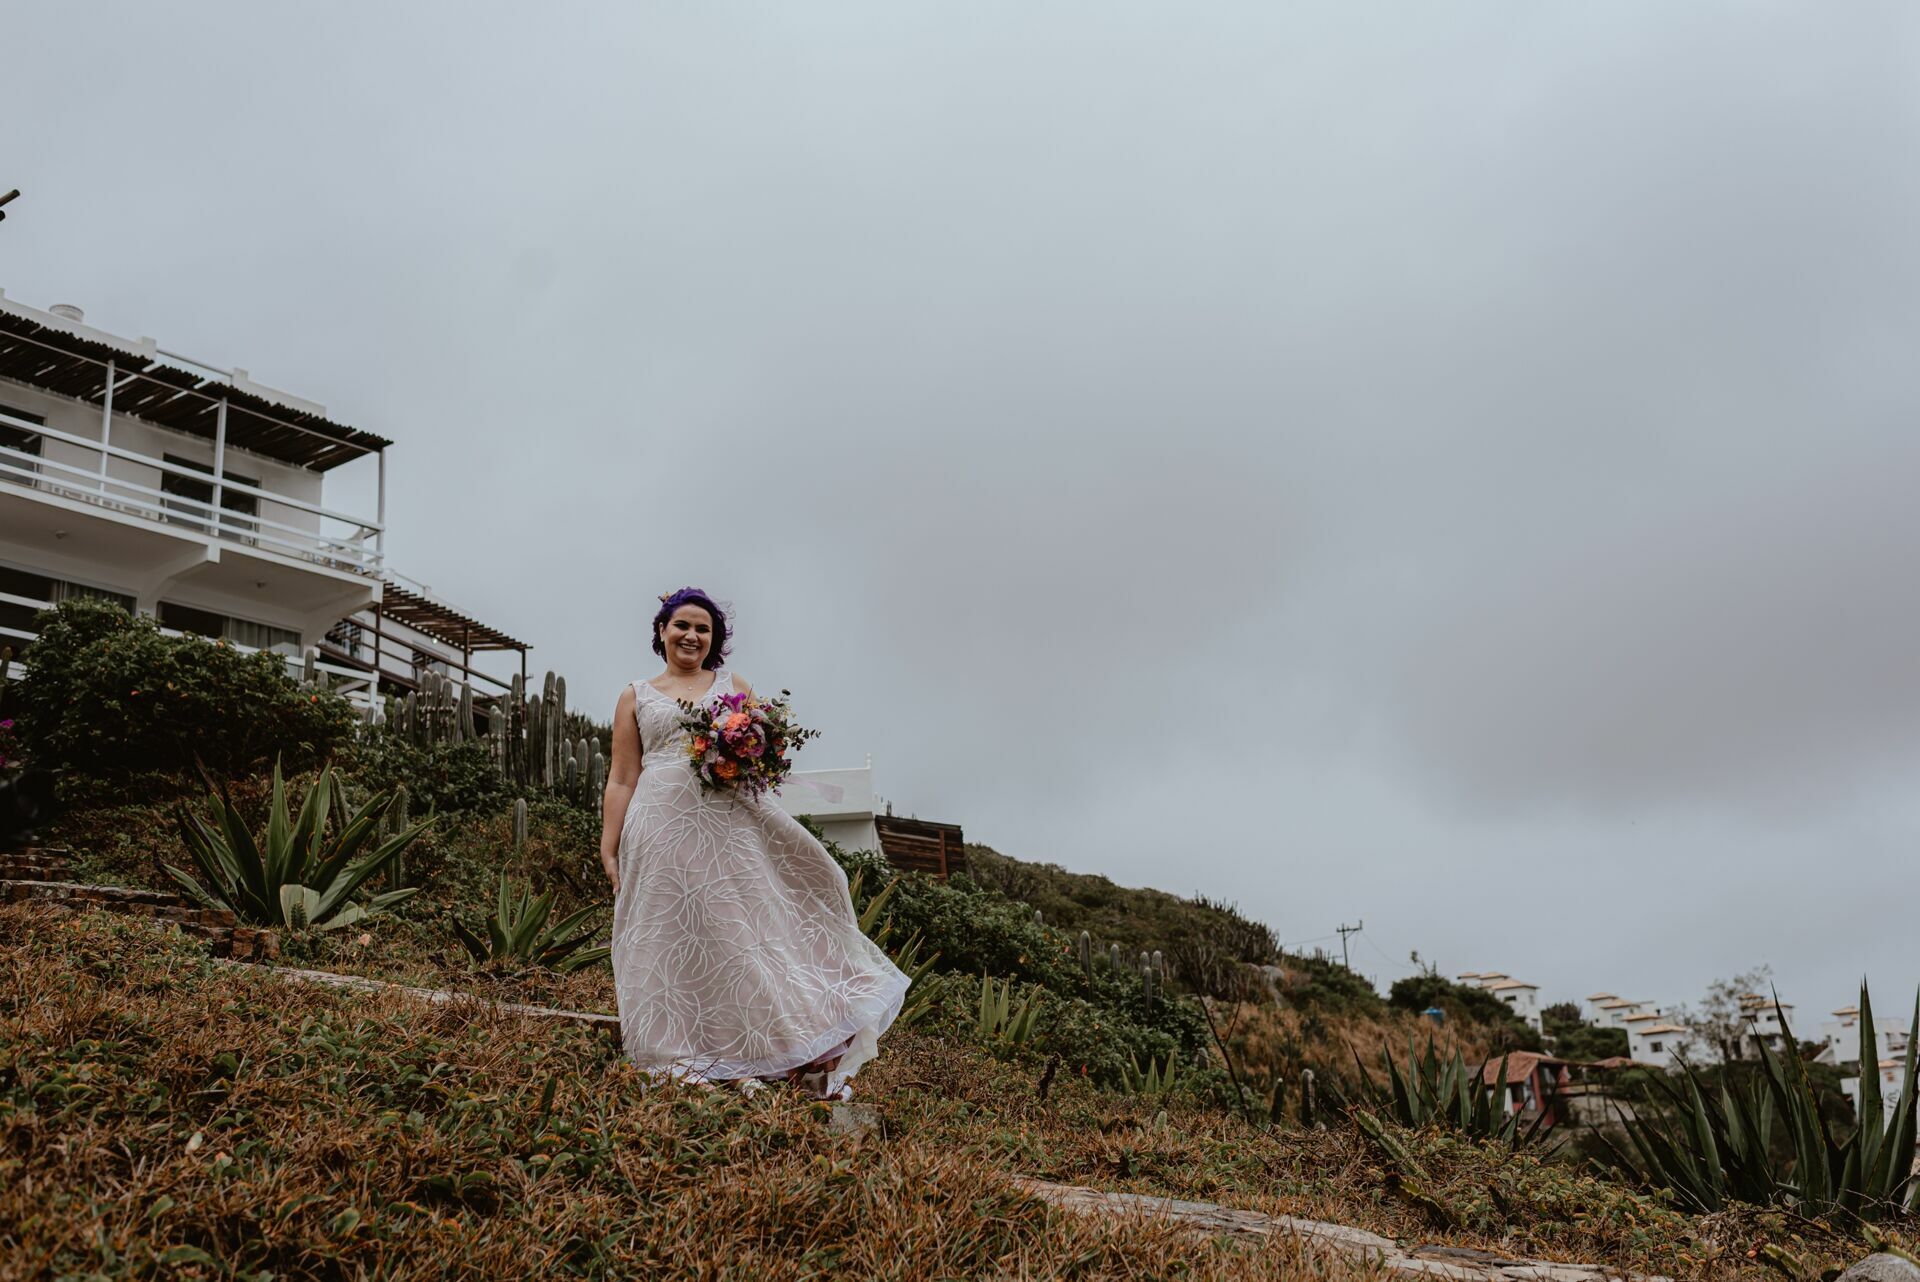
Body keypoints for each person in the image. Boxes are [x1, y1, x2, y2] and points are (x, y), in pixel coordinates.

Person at [599, 587, 910, 1101]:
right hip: (657, 828)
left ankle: (767, 1052)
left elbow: (762, 762)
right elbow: (622, 777)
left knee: (740, 934)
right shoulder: (635, 695)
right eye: (682, 625)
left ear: (714, 639)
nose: (691, 636)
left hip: (727, 827)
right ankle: (682, 1050)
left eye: (703, 629)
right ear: (662, 630)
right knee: (673, 936)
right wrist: (609, 845)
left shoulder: (733, 686)